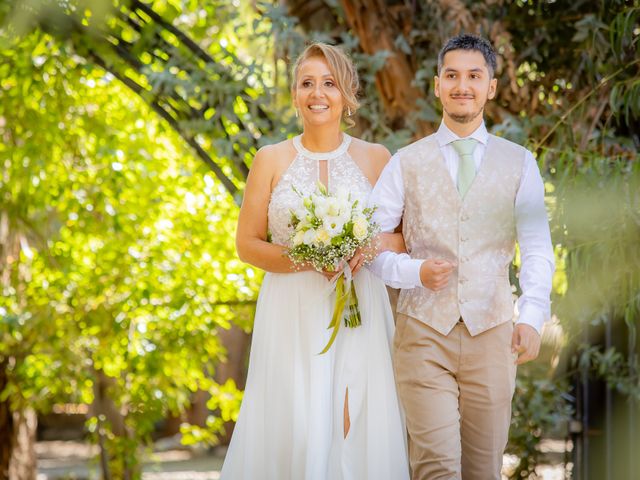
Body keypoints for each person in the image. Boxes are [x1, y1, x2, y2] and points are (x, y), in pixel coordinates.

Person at [369, 34, 555, 480]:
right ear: (437, 85)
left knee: (483, 469)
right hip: (423, 334)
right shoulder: (405, 162)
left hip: (493, 334)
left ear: (491, 86)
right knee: (435, 468)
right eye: (452, 75)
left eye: (474, 76)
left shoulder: (520, 163)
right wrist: (414, 272)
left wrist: (531, 316)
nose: (462, 85)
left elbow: (536, 248)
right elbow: (370, 246)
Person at [221, 42, 410, 480]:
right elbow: (247, 244)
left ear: (346, 93)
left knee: (356, 412)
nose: (317, 93)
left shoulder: (377, 158)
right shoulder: (270, 159)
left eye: (329, 83)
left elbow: (403, 238)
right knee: (298, 419)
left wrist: (362, 249)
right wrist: (310, 259)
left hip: (360, 304)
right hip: (292, 307)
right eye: (307, 83)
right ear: (294, 95)